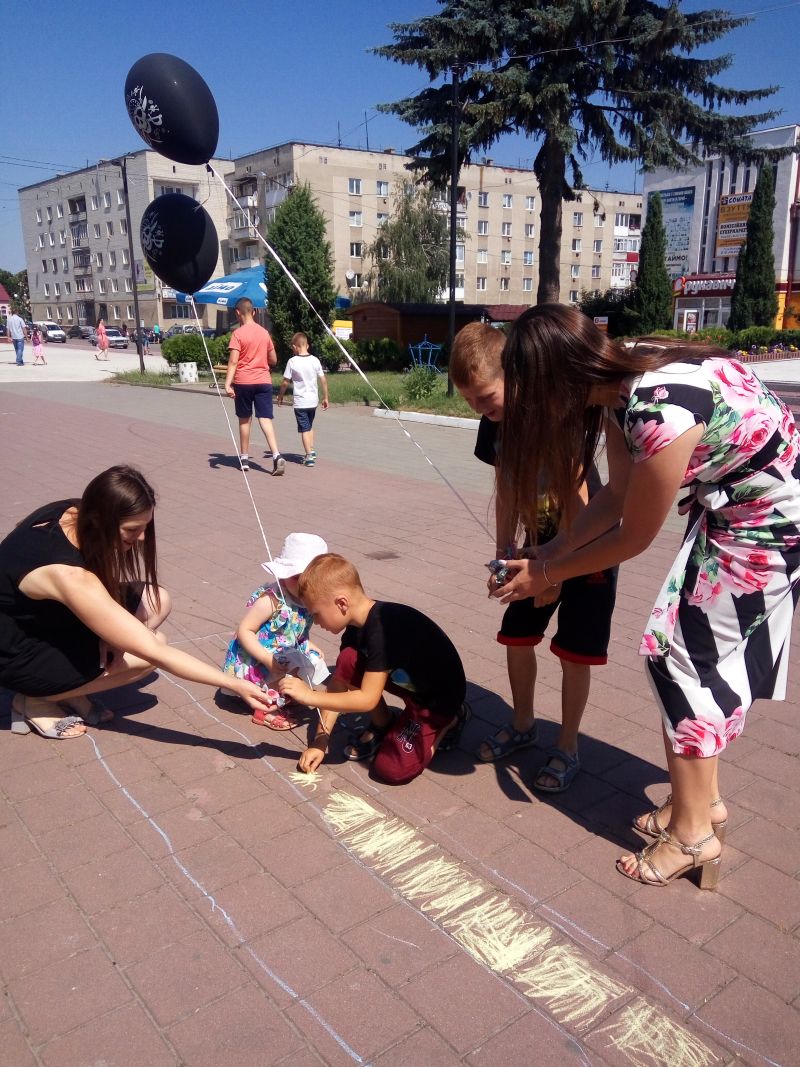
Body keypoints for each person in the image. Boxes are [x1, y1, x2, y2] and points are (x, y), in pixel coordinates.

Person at [491, 303, 800, 890]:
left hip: (767, 524)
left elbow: (633, 537)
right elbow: (615, 497)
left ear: (558, 383)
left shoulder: (655, 411)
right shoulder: (621, 375)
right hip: (744, 510)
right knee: (688, 657)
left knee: (684, 663)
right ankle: (700, 803)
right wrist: (549, 551)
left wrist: (548, 575)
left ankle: (693, 835)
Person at [450, 322, 617, 791]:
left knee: (575, 653)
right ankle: (523, 724)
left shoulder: (554, 414)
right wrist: (504, 554)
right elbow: (506, 488)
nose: (478, 408)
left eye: (485, 396)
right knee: (517, 636)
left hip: (587, 547)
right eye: (468, 401)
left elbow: (578, 496)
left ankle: (568, 746)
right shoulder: (495, 423)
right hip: (537, 542)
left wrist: (553, 575)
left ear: (514, 374)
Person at [0, 465, 271, 740]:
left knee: (157, 601)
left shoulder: (73, 511)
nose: (142, 537)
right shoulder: (69, 576)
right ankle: (36, 699)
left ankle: (71, 685)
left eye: (145, 526)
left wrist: (112, 636)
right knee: (147, 654)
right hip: (14, 651)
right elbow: (155, 651)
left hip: (44, 620)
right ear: (100, 520)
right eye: (132, 529)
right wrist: (234, 683)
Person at [279, 554, 469, 785]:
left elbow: (367, 699)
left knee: (390, 769)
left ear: (341, 603)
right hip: (412, 683)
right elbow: (339, 684)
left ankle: (450, 720)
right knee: (348, 659)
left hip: (437, 701)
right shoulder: (356, 626)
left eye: (316, 614)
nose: (316, 623)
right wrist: (321, 740)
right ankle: (385, 723)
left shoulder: (383, 630)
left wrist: (309, 696)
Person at [222, 531, 329, 730]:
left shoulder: (307, 599)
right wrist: (265, 658)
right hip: (258, 654)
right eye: (296, 577)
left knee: (312, 659)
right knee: (279, 666)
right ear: (283, 574)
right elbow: (245, 630)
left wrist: (307, 642)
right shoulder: (272, 600)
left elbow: (295, 628)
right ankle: (266, 707)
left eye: (309, 580)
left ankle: (285, 693)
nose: (303, 586)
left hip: (286, 648)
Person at [224, 298, 285, 475]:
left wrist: (228, 384)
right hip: (263, 381)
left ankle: (244, 459)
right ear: (254, 312)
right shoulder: (264, 333)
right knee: (265, 419)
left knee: (245, 420)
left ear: (237, 313)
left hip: (244, 382)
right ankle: (276, 455)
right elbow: (273, 359)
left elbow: (233, 361)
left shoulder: (238, 334)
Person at [277, 332, 329, 466]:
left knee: (304, 429)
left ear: (295, 347)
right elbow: (323, 379)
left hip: (301, 402)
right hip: (313, 401)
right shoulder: (315, 360)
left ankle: (309, 456)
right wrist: (326, 397)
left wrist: (280, 395)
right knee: (309, 426)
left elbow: (285, 382)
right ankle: (311, 450)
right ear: (307, 345)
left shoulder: (292, 361)